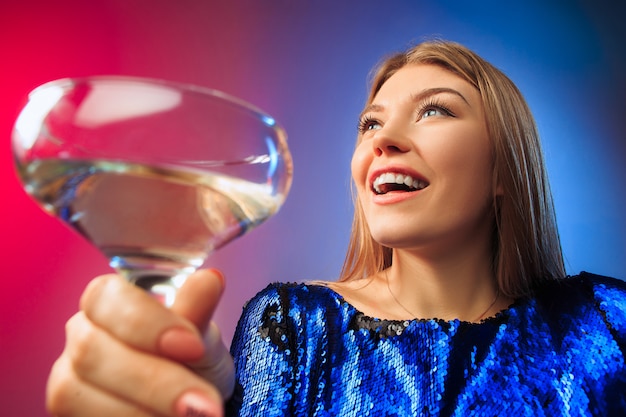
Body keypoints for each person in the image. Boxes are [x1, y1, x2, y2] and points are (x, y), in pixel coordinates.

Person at [46, 40, 626, 417]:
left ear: (506, 168)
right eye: (370, 123)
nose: (383, 139)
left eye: (435, 111)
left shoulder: (604, 319)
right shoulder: (293, 325)